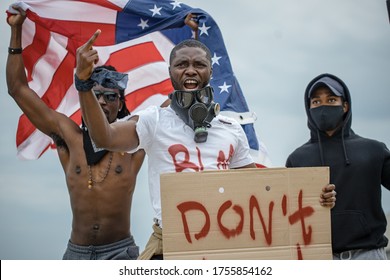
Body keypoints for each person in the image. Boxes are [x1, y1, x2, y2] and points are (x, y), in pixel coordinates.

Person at [76, 30, 336, 259]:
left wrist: (313, 197)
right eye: (182, 64)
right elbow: (104, 138)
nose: (190, 70)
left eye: (199, 64)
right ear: (170, 72)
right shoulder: (152, 121)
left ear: (211, 72)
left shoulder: (231, 128)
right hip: (170, 246)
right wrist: (84, 83)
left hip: (224, 244)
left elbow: (262, 188)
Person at [6, 8, 144, 260]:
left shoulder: (137, 138)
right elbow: (17, 89)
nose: (102, 102)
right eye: (96, 95)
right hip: (76, 254)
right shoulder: (68, 136)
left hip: (120, 253)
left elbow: (177, 100)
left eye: (111, 97)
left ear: (121, 104)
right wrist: (16, 31)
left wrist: (195, 36)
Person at [286, 73, 390, 260]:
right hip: (319, 259)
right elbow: (289, 211)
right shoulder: (297, 159)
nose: (323, 107)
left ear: (345, 106)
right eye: (316, 102)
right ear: (309, 108)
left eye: (331, 99)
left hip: (369, 256)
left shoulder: (374, 150)